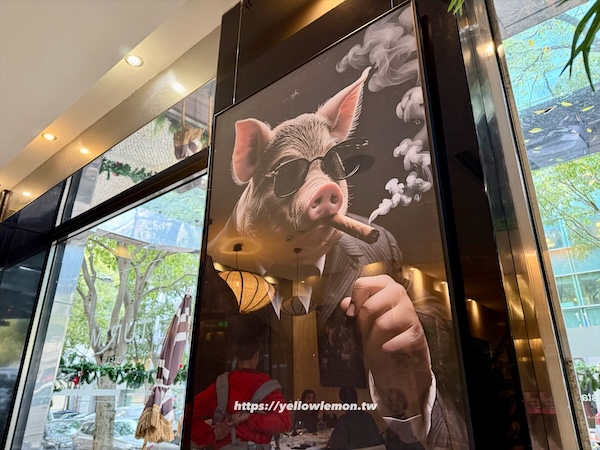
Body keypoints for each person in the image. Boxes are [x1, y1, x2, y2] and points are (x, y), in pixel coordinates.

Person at [191, 336, 291, 449]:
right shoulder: (268, 387)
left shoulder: (220, 386)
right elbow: (284, 422)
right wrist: (250, 418)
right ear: (257, 356)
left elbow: (189, 415)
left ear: (236, 358)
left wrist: (212, 434)